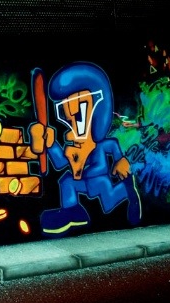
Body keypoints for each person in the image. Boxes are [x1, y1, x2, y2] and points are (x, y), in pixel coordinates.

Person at [29, 62, 141, 237]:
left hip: (100, 183)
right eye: (66, 115)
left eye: (78, 114)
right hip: (85, 183)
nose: (73, 122)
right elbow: (60, 163)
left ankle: (127, 190)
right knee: (67, 181)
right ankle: (74, 213)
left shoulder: (102, 145)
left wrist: (121, 162)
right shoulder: (75, 146)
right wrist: (49, 143)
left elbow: (116, 151)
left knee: (109, 201)